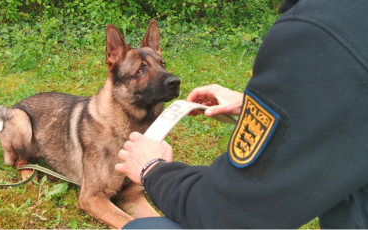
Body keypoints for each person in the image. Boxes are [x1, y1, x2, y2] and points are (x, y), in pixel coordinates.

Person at [115, 0, 368, 228]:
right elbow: (346, 103)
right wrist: (261, 104)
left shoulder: (313, 29)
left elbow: (229, 211)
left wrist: (153, 168)